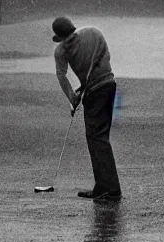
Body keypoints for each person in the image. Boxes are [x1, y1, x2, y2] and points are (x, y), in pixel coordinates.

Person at [52, 17, 121, 204]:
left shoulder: (60, 51)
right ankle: (102, 187)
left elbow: (61, 76)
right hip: (108, 86)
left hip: (95, 92)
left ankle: (111, 189)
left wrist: (73, 99)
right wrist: (84, 86)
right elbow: (104, 57)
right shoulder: (93, 32)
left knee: (96, 138)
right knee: (99, 137)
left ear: (58, 37)